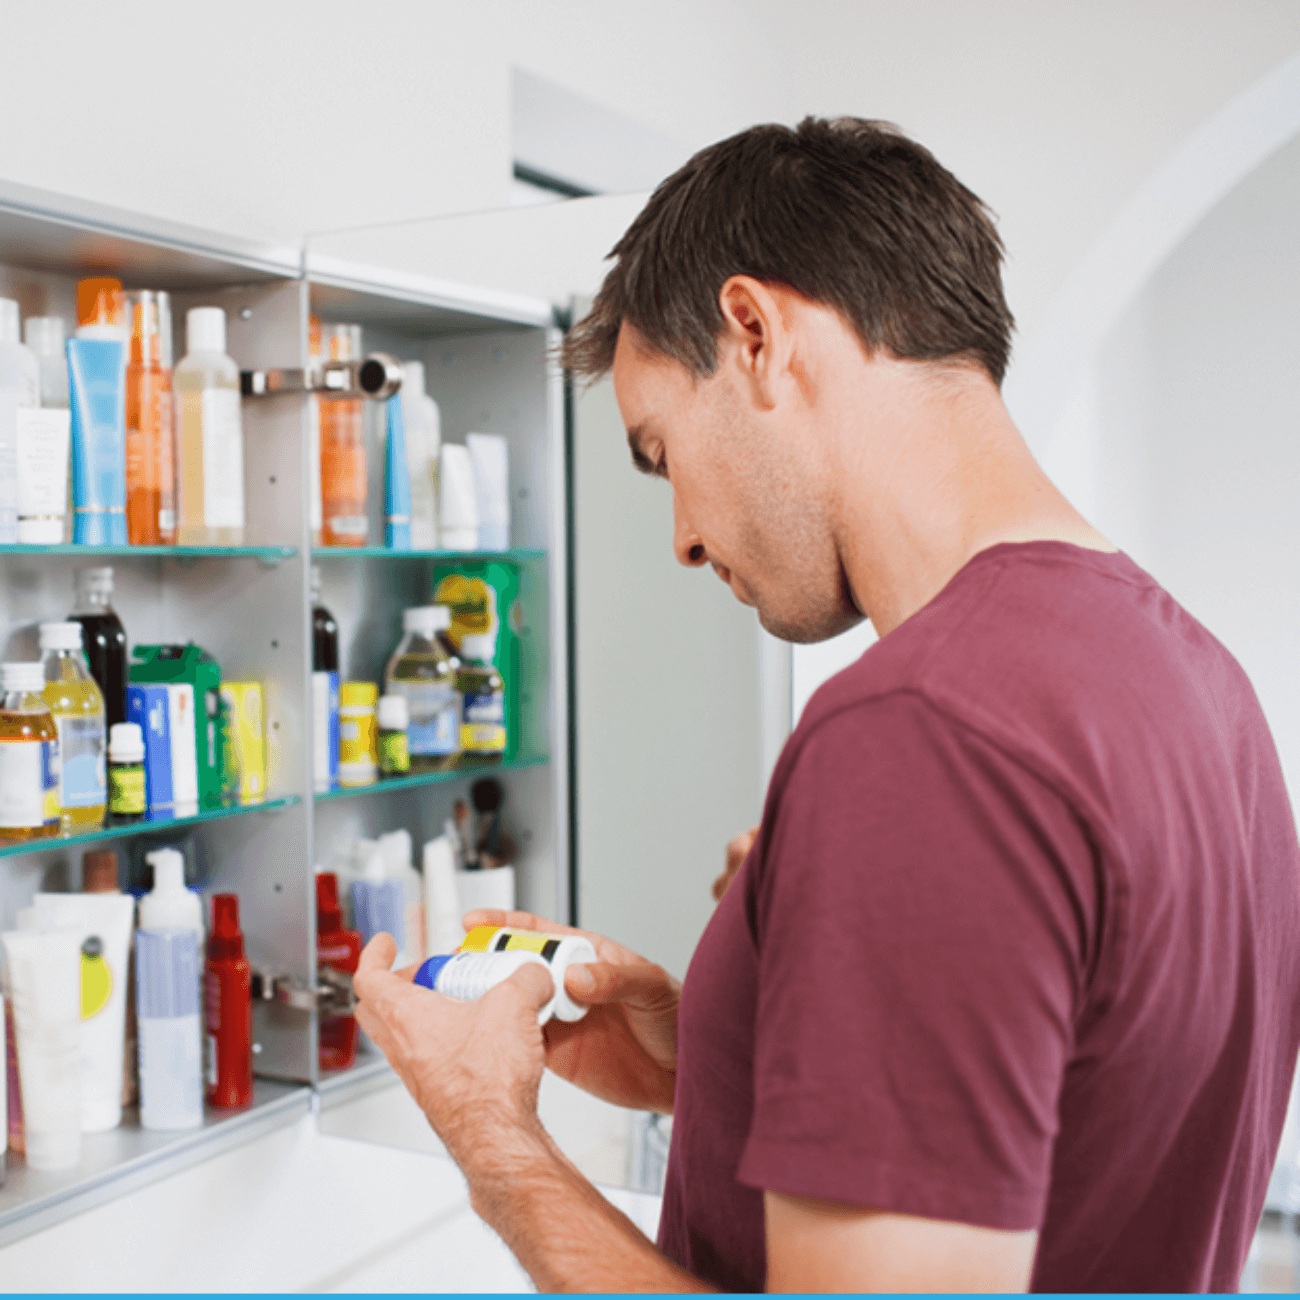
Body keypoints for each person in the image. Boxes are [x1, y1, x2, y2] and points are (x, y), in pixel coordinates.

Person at [354, 117, 1300, 1292]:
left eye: (662, 454)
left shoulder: (918, 734)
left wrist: (490, 1136)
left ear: (755, 333)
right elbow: (1069, 1125)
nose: (686, 538)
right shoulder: (1199, 683)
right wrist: (716, 1054)